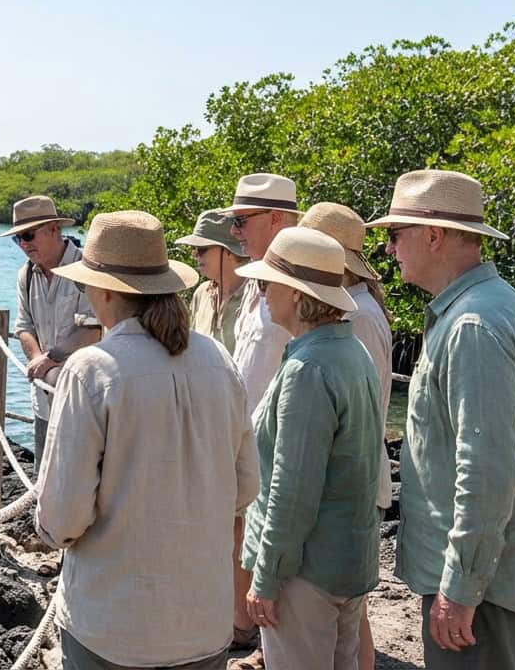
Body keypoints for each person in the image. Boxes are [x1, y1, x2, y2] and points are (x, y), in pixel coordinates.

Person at [36, 210, 259, 670]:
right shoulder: (217, 358)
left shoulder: (90, 369)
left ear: (101, 289)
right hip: (203, 622)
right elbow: (246, 487)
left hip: (113, 626)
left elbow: (62, 517)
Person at [368, 170, 515, 670]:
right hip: (494, 583)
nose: (389, 249)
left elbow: (487, 472)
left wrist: (461, 588)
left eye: (394, 233)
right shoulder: (495, 305)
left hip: (483, 592)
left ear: (433, 236)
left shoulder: (472, 324)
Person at [236, 226, 383, 670]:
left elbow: (291, 490)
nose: (261, 291)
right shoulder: (350, 350)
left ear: (298, 295)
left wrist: (267, 577)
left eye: (268, 282)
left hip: (306, 574)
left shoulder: (307, 368)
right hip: (347, 561)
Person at [300, 201, 394, 670]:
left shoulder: (356, 315)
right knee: (349, 609)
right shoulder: (359, 306)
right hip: (356, 477)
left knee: (346, 612)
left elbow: (361, 411)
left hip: (349, 481)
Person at [216, 172, 301, 663]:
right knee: (247, 542)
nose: (236, 232)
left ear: (275, 218)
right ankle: (254, 637)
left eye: (243, 221)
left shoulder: (295, 281)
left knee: (273, 550)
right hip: (247, 440)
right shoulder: (256, 281)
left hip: (276, 445)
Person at [0, 195, 101, 473]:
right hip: (43, 399)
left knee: (82, 480)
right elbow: (23, 327)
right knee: (42, 480)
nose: (23, 244)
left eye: (29, 235)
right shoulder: (26, 275)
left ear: (54, 229)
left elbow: (94, 329)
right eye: (18, 238)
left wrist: (50, 359)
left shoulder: (87, 269)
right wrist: (39, 363)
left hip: (84, 404)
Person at [174, 209, 248, 353]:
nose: (194, 254)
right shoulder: (201, 293)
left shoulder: (257, 296)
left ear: (228, 251)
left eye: (201, 249)